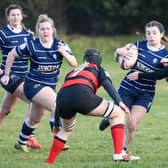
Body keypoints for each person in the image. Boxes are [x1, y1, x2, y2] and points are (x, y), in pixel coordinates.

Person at [45, 48, 140, 165]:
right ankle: (119, 153)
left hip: (62, 100)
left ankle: (49, 162)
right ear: (98, 60)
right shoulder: (97, 68)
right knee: (118, 113)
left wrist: (56, 124)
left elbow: (63, 93)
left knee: (65, 130)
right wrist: (119, 102)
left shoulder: (72, 71)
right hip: (82, 96)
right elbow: (107, 84)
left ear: (85, 59)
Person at [1, 14, 77, 152]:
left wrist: (63, 53)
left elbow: (74, 63)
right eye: (42, 29)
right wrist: (6, 74)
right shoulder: (31, 45)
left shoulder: (60, 45)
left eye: (48, 29)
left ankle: (21, 142)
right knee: (56, 104)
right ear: (38, 31)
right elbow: (12, 54)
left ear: (52, 29)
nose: (45, 31)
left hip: (49, 86)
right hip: (33, 85)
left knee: (35, 118)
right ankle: (58, 138)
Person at [99, 20, 168, 154]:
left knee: (132, 125)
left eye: (154, 33)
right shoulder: (137, 46)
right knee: (119, 114)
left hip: (146, 93)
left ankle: (123, 150)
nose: (151, 36)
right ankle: (116, 142)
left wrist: (141, 75)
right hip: (128, 87)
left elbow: (161, 76)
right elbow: (117, 55)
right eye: (148, 33)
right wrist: (120, 51)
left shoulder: (165, 55)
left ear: (161, 34)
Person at [0, 4, 42, 149]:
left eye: (18, 14)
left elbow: (34, 54)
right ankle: (29, 137)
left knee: (5, 110)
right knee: (35, 99)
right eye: (13, 15)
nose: (16, 17)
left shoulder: (29, 34)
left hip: (25, 76)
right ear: (8, 17)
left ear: (21, 16)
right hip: (8, 76)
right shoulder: (3, 34)